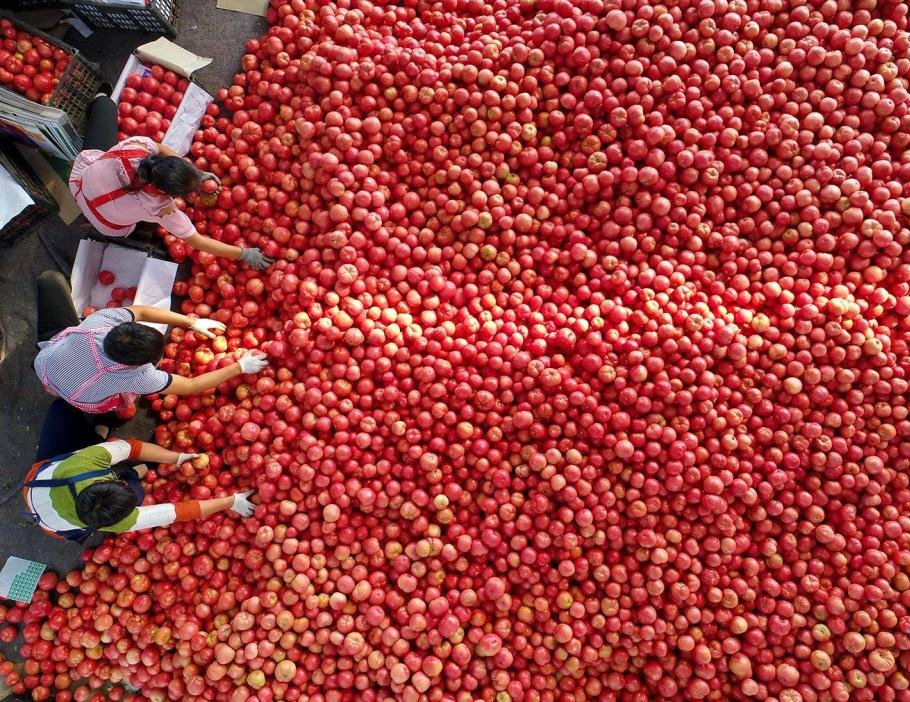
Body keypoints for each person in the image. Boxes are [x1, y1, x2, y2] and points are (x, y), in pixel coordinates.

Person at [70, 86, 273, 270]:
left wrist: (195, 173)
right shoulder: (160, 207)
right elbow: (197, 241)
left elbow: (162, 149)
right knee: (147, 228)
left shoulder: (138, 149)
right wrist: (244, 254)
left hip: (82, 181)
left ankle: (99, 100)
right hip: (107, 222)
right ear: (170, 195)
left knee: (105, 104)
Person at [34, 270, 269, 414]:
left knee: (50, 280)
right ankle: (115, 411)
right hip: (77, 395)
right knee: (122, 403)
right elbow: (190, 387)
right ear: (137, 365)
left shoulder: (101, 321)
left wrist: (192, 323)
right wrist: (240, 366)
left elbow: (142, 312)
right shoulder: (138, 377)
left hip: (47, 360)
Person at [22, 400, 255, 540]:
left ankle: (98, 431)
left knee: (61, 410)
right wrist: (231, 501)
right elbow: (180, 511)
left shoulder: (82, 464)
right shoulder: (119, 521)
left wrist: (178, 457)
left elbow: (132, 448)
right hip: (52, 516)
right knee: (137, 490)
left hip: (46, 469)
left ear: (101, 481)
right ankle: (133, 472)